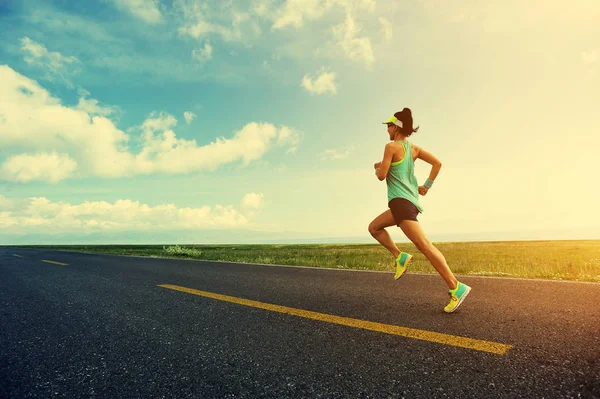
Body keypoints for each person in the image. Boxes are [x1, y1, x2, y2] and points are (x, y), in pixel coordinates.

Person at [368, 108, 471, 313]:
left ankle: (455, 287)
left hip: (400, 203)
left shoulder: (390, 146)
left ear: (395, 127)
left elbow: (382, 176)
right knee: (374, 227)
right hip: (408, 201)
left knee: (424, 245)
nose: (387, 130)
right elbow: (437, 163)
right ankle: (400, 256)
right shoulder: (413, 149)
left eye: (388, 126)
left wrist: (378, 168)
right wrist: (426, 186)